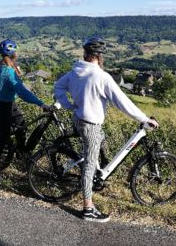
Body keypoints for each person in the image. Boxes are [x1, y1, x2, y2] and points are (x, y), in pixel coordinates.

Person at [54, 37, 158, 222]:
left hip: (78, 119)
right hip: (91, 125)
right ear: (99, 56)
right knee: (88, 166)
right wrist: (143, 119)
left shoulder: (75, 72)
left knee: (100, 141)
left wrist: (67, 104)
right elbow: (122, 102)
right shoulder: (101, 77)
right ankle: (88, 209)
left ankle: (96, 167)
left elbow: (58, 86)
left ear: (86, 54)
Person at [0, 39, 50, 183]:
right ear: (13, 53)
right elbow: (23, 92)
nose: (17, 53)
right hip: (4, 106)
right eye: (16, 51)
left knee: (22, 126)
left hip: (9, 104)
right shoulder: (8, 72)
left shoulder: (0, 66)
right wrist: (41, 104)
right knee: (4, 137)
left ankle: (21, 156)